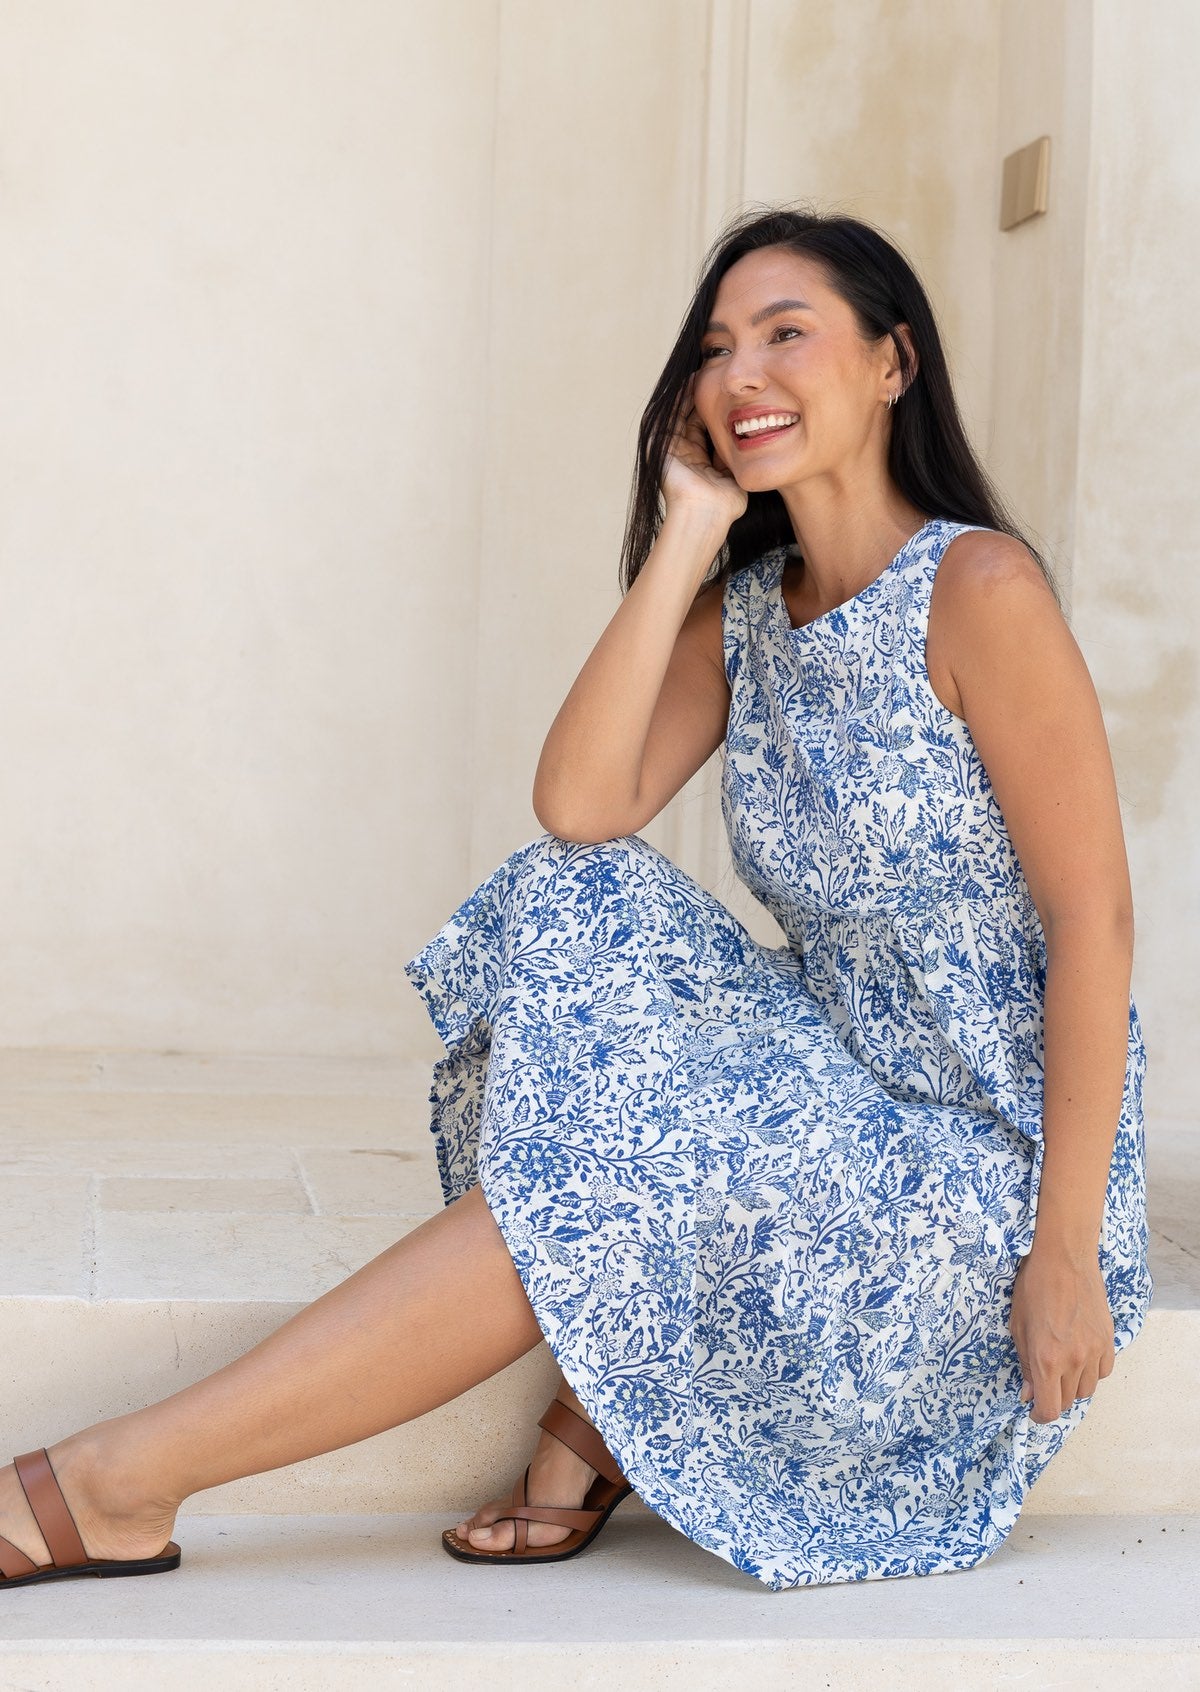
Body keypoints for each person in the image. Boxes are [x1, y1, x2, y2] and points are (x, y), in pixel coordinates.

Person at [0, 205, 1151, 1595]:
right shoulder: (753, 612)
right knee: (574, 896)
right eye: (717, 349)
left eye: (788, 335)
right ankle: (503, 1419)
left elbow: (1095, 928)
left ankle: (123, 1479)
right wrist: (691, 533)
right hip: (831, 1074)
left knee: (597, 1181)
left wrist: (1066, 1253)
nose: (742, 377)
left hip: (979, 1150)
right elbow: (581, 805)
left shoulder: (980, 588)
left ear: (893, 362)